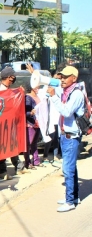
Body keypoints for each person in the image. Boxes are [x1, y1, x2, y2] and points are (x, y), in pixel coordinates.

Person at [47, 66, 84, 212]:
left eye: (65, 77)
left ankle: (70, 202)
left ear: (73, 78)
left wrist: (54, 97)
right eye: (61, 77)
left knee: (67, 169)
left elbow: (67, 111)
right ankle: (73, 197)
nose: (62, 79)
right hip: (65, 135)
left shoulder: (76, 94)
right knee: (71, 168)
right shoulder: (67, 91)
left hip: (71, 136)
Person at [0, 67, 29, 179]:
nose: (14, 78)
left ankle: (19, 167)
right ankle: (2, 171)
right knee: (2, 147)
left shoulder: (8, 89)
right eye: (13, 76)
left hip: (10, 123)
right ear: (9, 77)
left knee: (13, 145)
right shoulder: (0, 90)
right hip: (2, 124)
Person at [23, 81, 42, 169]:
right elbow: (24, 112)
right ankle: (27, 163)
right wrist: (31, 113)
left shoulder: (37, 96)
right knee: (28, 144)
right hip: (31, 124)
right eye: (36, 87)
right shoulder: (28, 98)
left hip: (37, 123)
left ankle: (36, 161)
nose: (38, 88)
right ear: (32, 88)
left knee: (34, 143)